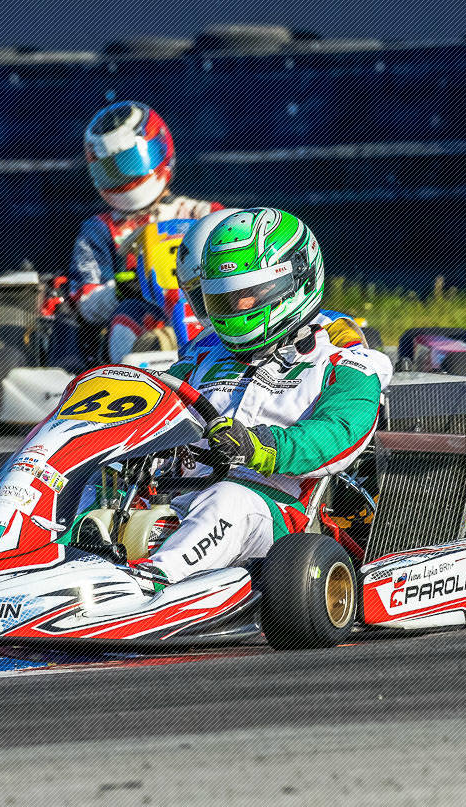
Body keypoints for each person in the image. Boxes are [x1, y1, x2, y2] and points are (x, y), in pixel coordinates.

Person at [133, 207, 391, 588]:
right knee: (99, 486)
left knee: (228, 499)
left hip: (276, 514)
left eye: (250, 295)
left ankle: (151, 583)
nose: (238, 307)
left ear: (295, 280)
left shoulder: (344, 362)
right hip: (178, 495)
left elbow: (340, 433)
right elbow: (154, 400)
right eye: (225, 298)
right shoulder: (204, 355)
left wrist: (260, 446)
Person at [57, 101, 222, 366]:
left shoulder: (198, 212)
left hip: (203, 306)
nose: (123, 177)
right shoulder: (99, 230)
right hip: (140, 315)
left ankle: (216, 354)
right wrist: (125, 288)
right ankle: (148, 362)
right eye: (110, 169)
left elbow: (238, 236)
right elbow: (86, 303)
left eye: (130, 162)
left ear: (160, 149)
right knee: (127, 318)